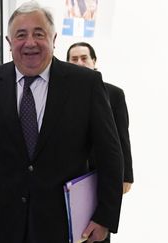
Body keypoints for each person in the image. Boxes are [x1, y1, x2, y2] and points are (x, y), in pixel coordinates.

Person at [0, 2, 123, 243]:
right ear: (9, 43)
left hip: (67, 229)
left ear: (54, 39)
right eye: (21, 35)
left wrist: (105, 217)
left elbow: (110, 155)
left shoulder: (86, 84)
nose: (30, 42)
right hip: (1, 228)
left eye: (39, 34)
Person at [66, 42, 134, 243]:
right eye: (74, 59)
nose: (79, 63)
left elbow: (122, 135)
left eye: (84, 58)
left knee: (97, 227)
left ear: (94, 61)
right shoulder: (61, 95)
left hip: (101, 173)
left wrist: (126, 175)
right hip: (70, 173)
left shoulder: (113, 93)